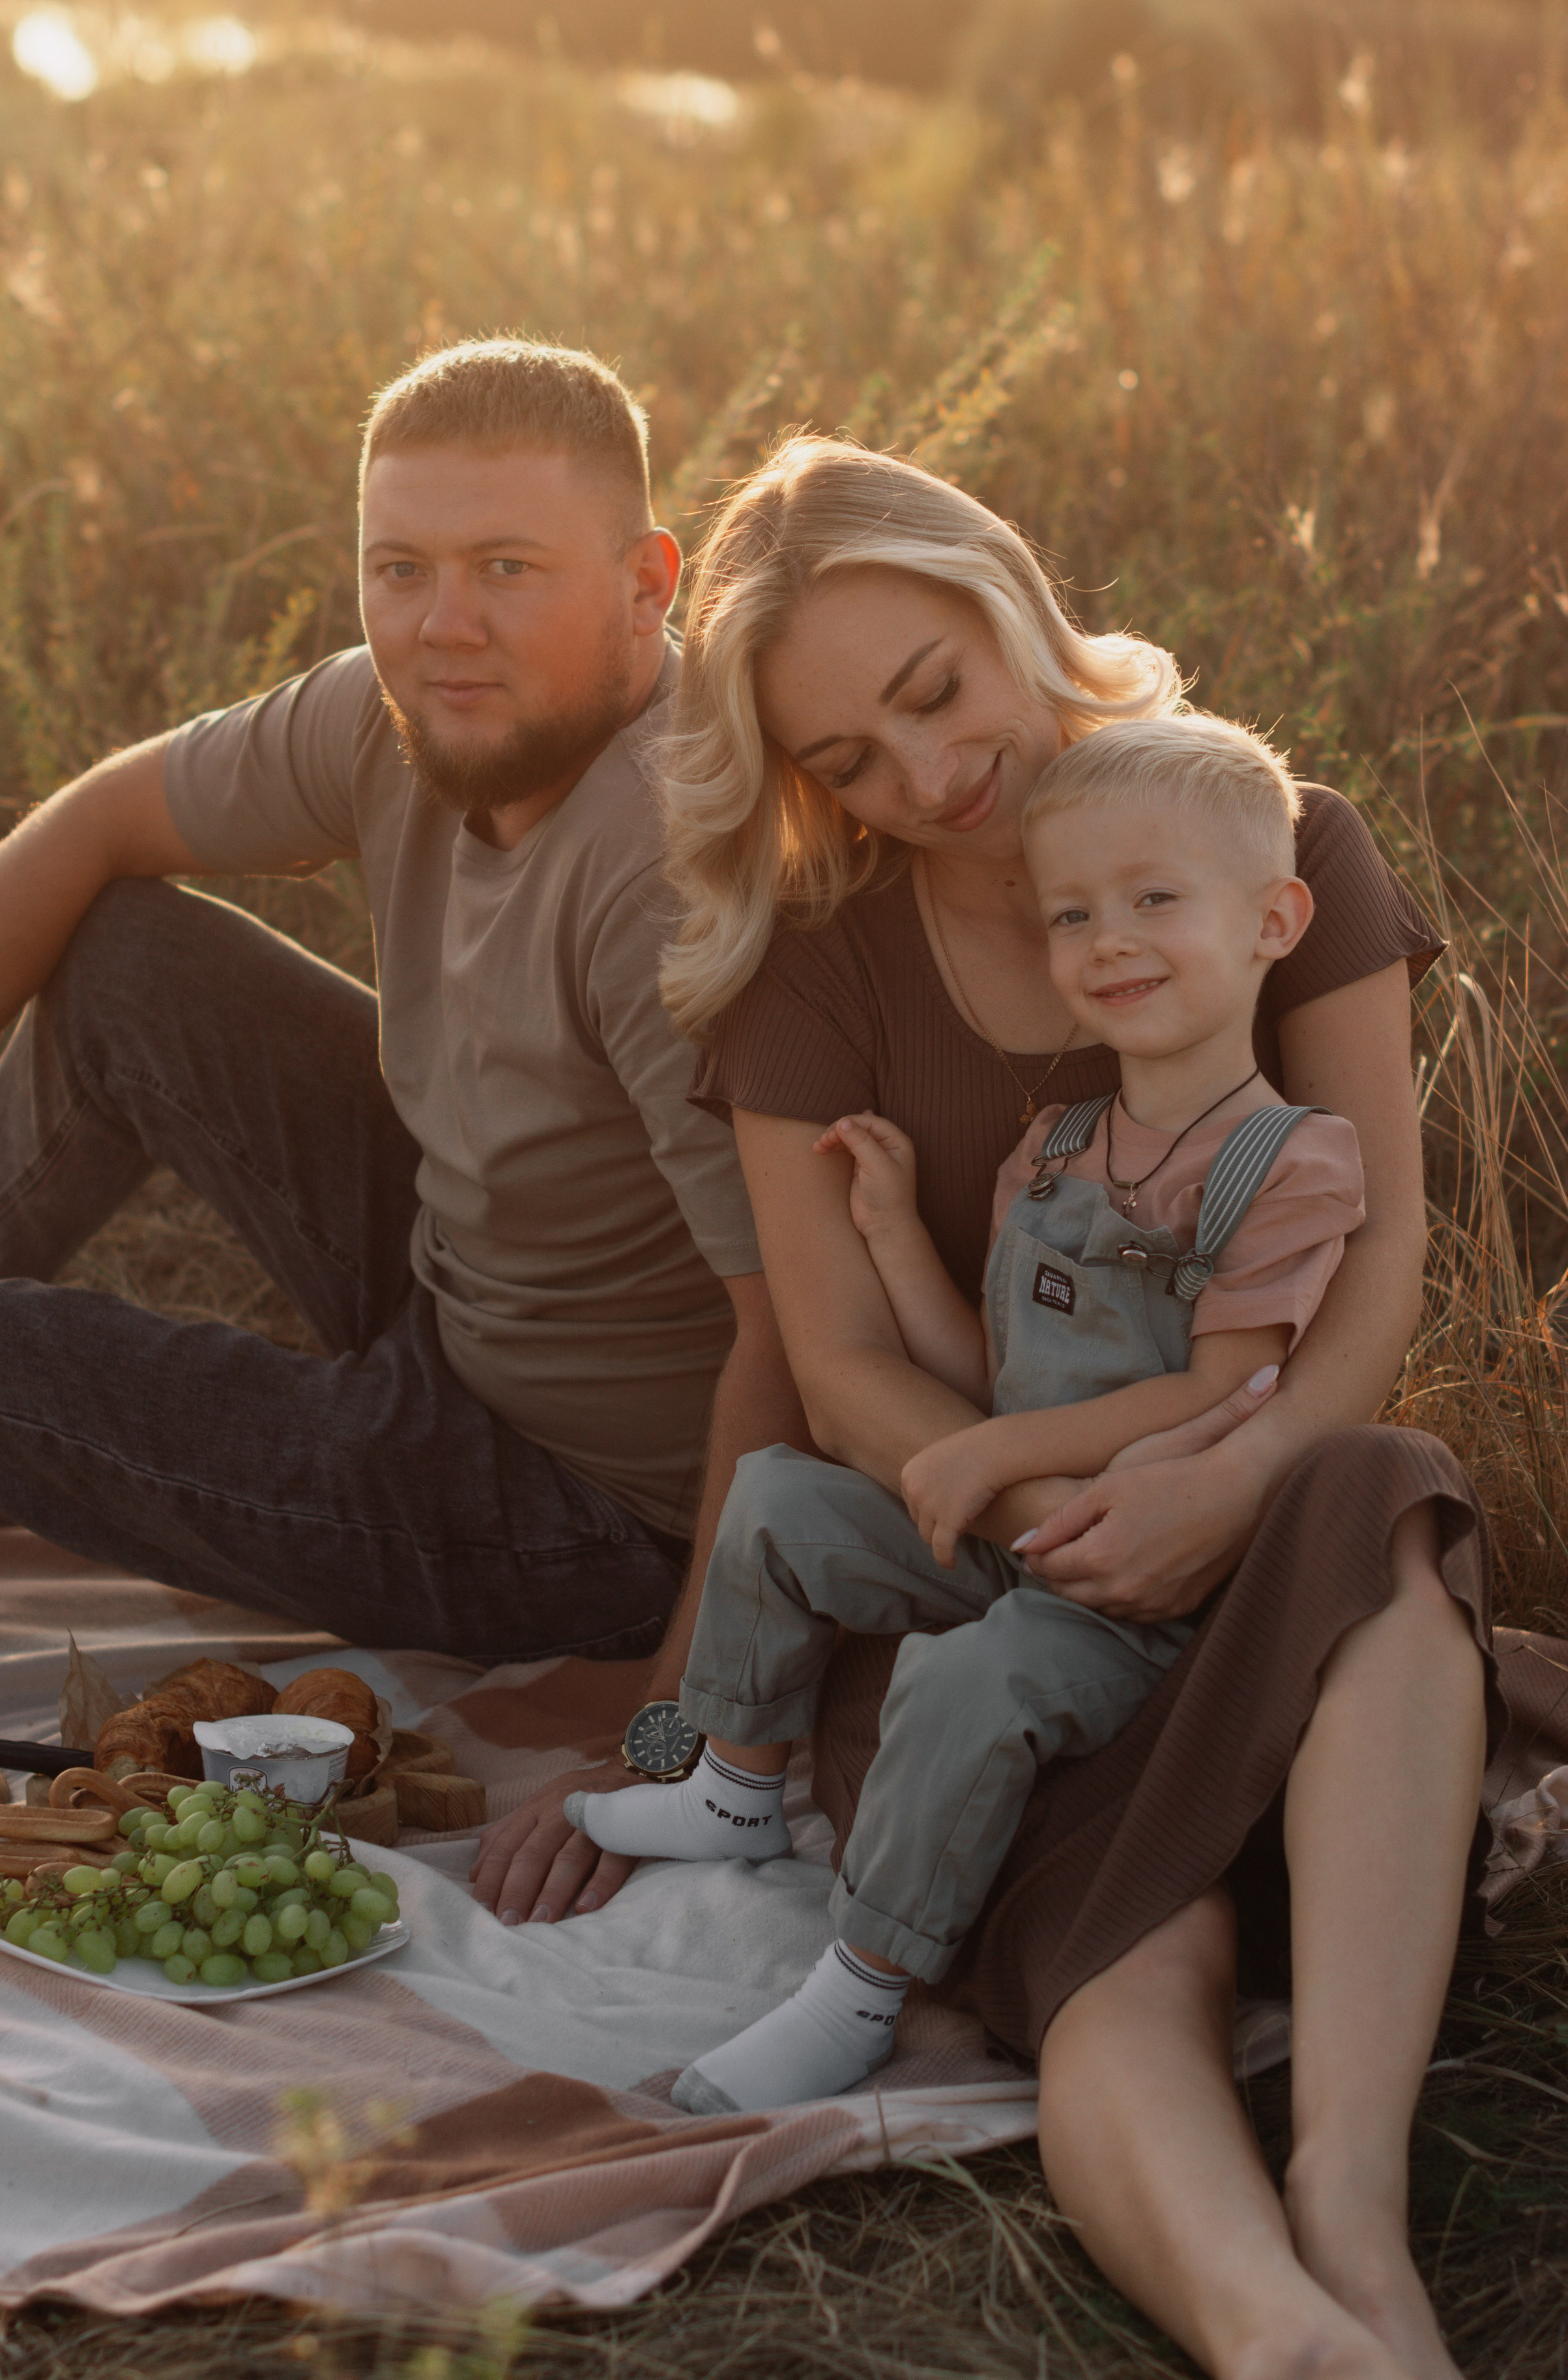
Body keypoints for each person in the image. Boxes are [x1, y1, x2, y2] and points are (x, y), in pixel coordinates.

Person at [497, 430, 1488, 2380]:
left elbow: (1380, 1253)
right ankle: (1280, 2336)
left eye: (934, 692)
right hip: (967, 1583)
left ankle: (1356, 2220)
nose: (929, 777)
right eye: (847, 761)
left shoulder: (1266, 844)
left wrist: (1247, 1476)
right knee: (1145, 1955)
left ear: (1001, 595)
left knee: (1383, 1493)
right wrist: (1043, 1526)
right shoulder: (813, 974)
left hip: (1258, 1517)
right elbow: (835, 1361)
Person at [0, 341, 806, 1740]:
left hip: (585, 1515)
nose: (443, 624)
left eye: (507, 568)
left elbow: (801, 1336)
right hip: (453, 1279)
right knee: (129, 952)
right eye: (401, 568)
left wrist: (666, 1703)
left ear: (647, 584)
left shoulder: (666, 875)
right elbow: (93, 824)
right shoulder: (401, 713)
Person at [572, 710, 1367, 2119]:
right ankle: (731, 1783)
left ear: (1273, 920)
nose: (1106, 939)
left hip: (1139, 1587)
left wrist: (990, 1453)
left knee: (959, 1680)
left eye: (1152, 902)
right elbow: (985, 1362)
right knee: (774, 1492)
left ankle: (860, 1986)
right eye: (1071, 914)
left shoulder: (1285, 1164)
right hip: (1007, 1531)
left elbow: (1215, 1389)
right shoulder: (1053, 1141)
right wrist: (887, 1236)